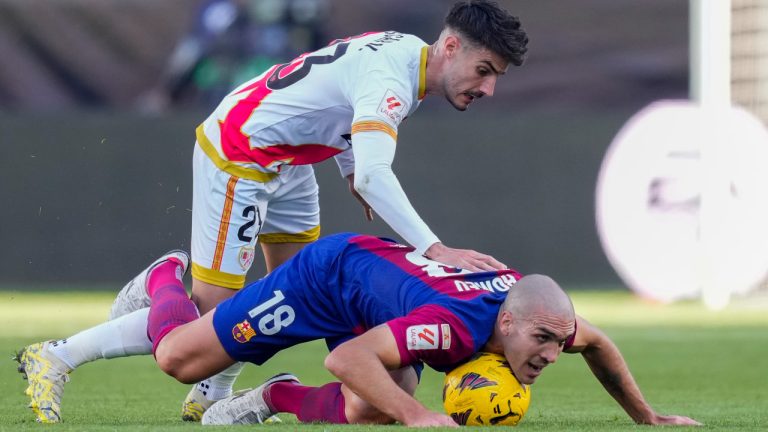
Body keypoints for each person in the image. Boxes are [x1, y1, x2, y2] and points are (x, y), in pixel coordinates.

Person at [34, 1, 529, 421]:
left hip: (290, 160)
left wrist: (351, 169)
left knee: (286, 294)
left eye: (496, 77)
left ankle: (212, 394)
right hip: (241, 152)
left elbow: (340, 105)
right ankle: (68, 349)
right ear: (448, 47)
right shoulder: (393, 81)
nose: (487, 89)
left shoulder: (405, 53)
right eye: (484, 71)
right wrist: (435, 247)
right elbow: (378, 171)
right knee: (208, 316)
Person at [16, 233, 701, 426]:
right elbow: (347, 357)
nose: (554, 354)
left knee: (365, 411)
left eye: (559, 341)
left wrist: (649, 419)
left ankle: (270, 396)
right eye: (544, 342)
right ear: (509, 322)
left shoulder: (534, 315)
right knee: (178, 361)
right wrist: (418, 416)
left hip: (382, 300)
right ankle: (168, 275)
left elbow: (600, 342)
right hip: (326, 279)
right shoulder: (454, 326)